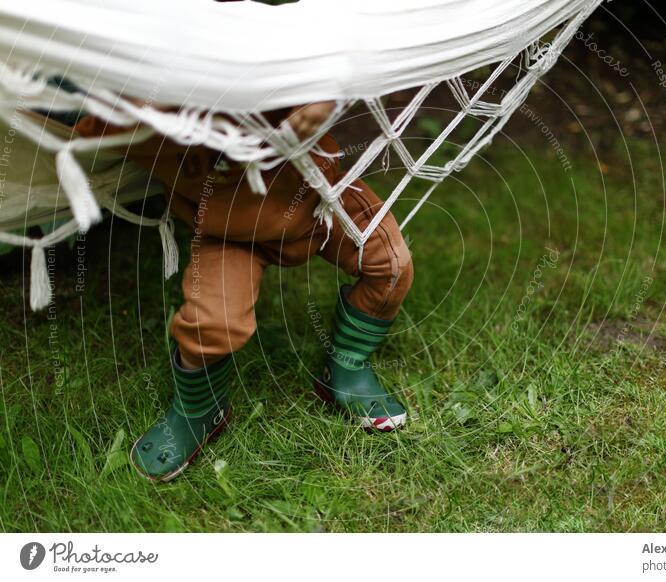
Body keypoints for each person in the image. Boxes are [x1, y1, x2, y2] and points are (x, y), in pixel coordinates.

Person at [73, 100, 413, 481]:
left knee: (391, 266)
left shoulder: (274, 66)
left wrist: (326, 97)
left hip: (319, 198)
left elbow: (339, 56)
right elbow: (70, 109)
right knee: (211, 327)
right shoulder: (128, 106)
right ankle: (200, 409)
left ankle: (347, 365)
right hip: (228, 232)